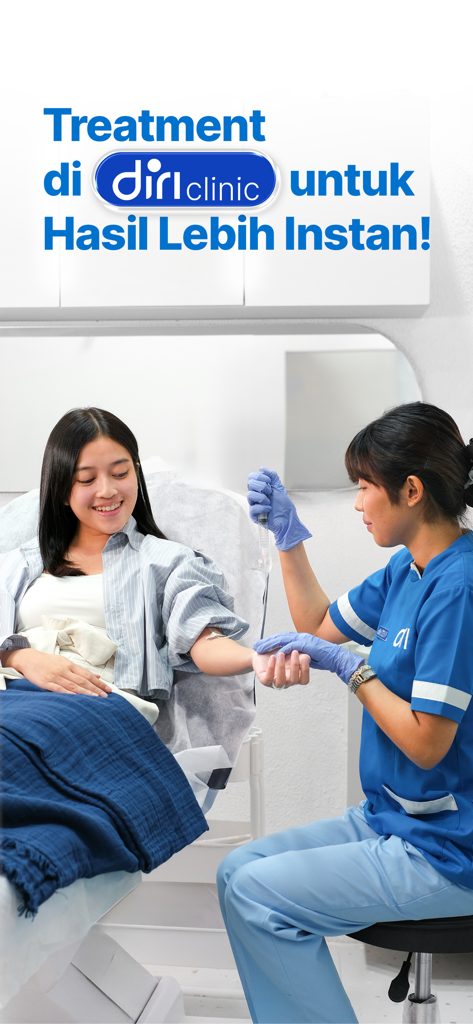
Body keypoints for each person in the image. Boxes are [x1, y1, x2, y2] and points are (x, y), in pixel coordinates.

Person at [217, 402, 473, 1024]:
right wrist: (289, 538)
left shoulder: (459, 586)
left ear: (410, 491)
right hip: (392, 819)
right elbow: (316, 626)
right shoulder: (405, 569)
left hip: (445, 847)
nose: (357, 504)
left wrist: (349, 670)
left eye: (364, 488)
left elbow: (426, 745)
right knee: (235, 872)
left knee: (258, 895)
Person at [0, 407, 309, 702]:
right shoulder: (19, 564)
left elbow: (205, 641)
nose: (107, 490)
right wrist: (21, 656)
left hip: (97, 707)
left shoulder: (169, 563)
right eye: (87, 479)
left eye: (120, 473)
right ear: (62, 490)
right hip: (13, 696)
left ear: (136, 474)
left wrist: (255, 658)